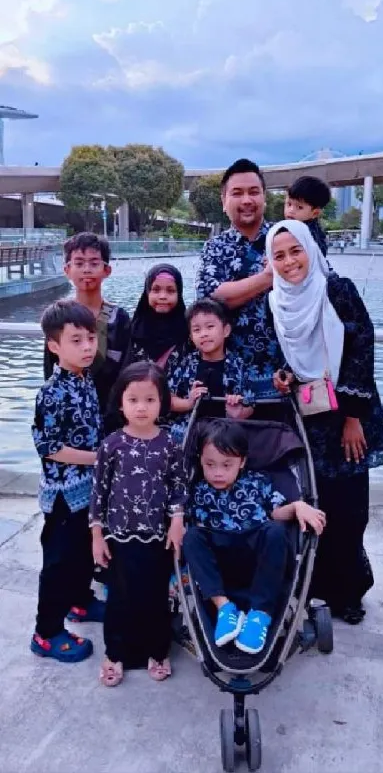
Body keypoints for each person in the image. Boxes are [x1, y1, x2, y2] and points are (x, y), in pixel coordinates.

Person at [267, 220, 383, 624]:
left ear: (311, 250)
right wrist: (283, 376)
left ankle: (349, 593)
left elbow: (361, 348)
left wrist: (353, 418)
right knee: (315, 501)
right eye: (279, 255)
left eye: (295, 251)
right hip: (309, 416)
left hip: (347, 415)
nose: (289, 262)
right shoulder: (278, 302)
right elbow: (290, 356)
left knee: (350, 507)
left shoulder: (337, 290)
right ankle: (317, 585)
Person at [183, 420, 325, 654]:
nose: (218, 472)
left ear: (242, 462)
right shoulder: (197, 491)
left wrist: (298, 505)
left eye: (226, 465)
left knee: (276, 530)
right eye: (210, 464)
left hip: (256, 556)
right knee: (192, 537)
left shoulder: (257, 482)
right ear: (200, 461)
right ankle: (225, 608)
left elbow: (276, 511)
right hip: (220, 560)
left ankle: (259, 615)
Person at [90, 362, 187, 687]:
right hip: (118, 536)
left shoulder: (170, 444)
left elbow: (178, 486)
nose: (142, 407)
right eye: (134, 400)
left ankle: (157, 651)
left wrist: (176, 521)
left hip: (157, 537)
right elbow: (98, 493)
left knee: (155, 595)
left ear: (163, 402)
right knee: (119, 596)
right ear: (121, 403)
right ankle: (115, 652)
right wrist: (97, 536)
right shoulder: (112, 445)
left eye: (150, 399)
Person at [30, 300, 104, 662]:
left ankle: (80, 601)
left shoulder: (85, 381)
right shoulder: (52, 392)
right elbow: (49, 447)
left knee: (81, 555)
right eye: (76, 340)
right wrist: (99, 458)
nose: (87, 346)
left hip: (88, 489)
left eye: (91, 338)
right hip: (62, 494)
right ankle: (46, 632)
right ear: (54, 346)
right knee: (58, 563)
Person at [196, 158, 283, 399]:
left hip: (283, 378)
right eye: (237, 193)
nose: (247, 200)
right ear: (224, 201)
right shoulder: (214, 247)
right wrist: (267, 278)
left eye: (254, 192)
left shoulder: (285, 240)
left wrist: (235, 291)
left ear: (264, 197)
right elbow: (210, 299)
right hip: (227, 380)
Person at [44, 233, 130, 418]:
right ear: (67, 269)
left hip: (112, 414)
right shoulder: (59, 317)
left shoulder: (119, 318)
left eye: (94, 263)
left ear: (107, 270)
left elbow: (126, 370)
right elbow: (50, 370)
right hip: (69, 413)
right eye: (79, 263)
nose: (86, 270)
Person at [168, 298, 253, 443]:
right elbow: (168, 399)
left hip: (225, 435)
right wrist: (188, 402)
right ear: (191, 336)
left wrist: (238, 413)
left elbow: (250, 404)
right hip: (187, 432)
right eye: (197, 330)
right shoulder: (186, 363)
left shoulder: (237, 365)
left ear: (226, 330)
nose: (204, 334)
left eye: (210, 327)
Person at [123, 264, 188, 371]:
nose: (162, 296)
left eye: (170, 290)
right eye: (156, 290)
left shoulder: (189, 333)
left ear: (179, 294)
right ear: (147, 293)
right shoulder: (132, 331)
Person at [284, 176, 330, 258]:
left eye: (299, 207)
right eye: (289, 204)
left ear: (314, 213)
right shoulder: (292, 227)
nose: (291, 210)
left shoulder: (308, 234)